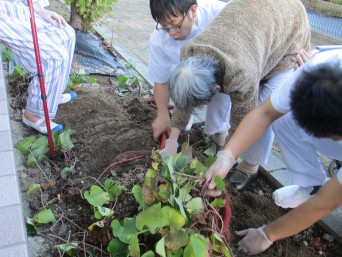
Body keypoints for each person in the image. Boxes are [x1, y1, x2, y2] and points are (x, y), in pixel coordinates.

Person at [205, 49, 342, 255]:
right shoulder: (313, 74)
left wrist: (268, 234)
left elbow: (326, 203)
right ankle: (311, 185)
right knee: (286, 118)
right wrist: (227, 157)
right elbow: (265, 113)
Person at [165, 0, 311, 191]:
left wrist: (226, 158)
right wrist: (172, 139)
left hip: (288, 34)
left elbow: (246, 122)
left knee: (265, 107)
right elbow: (184, 103)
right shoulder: (189, 53)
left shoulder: (241, 73)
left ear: (217, 87)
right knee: (225, 109)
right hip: (252, 28)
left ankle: (250, 167)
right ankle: (219, 138)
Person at [148, 0, 227, 147]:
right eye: (165, 28)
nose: (171, 33)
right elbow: (161, 81)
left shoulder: (220, 14)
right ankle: (182, 132)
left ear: (193, 11)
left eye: (175, 26)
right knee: (181, 84)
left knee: (219, 112)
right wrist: (163, 114)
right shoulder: (158, 40)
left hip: (223, 69)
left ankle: (220, 137)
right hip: (186, 77)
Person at [0, 0, 76, 135]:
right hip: (5, 15)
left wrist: (41, 11)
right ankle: (32, 114)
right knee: (54, 57)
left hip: (20, 8)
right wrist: (30, 12)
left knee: (66, 32)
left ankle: (53, 94)